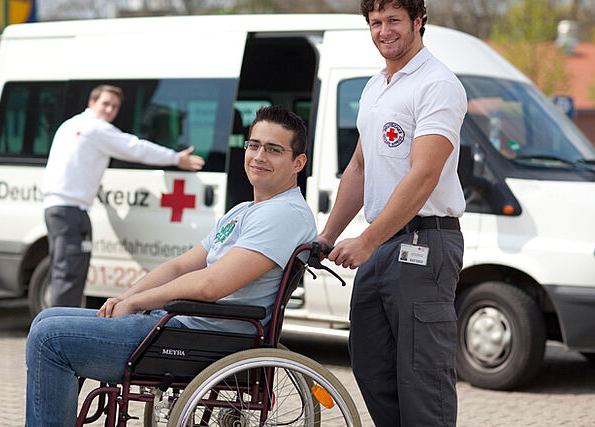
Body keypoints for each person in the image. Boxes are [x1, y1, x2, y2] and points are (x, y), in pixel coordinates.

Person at [26, 106, 316, 426]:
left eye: (274, 149)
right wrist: (125, 299)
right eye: (254, 145)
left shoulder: (283, 214)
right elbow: (180, 267)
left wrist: (137, 302)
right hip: (181, 326)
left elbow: (211, 285)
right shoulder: (245, 210)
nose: (259, 155)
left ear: (297, 163)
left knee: (50, 339)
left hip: (202, 340)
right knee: (47, 317)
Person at [317, 1, 467, 426]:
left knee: (423, 380)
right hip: (382, 242)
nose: (384, 31)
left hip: (425, 241)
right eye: (376, 22)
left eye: (394, 20)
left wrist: (366, 240)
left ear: (419, 21)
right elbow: (360, 167)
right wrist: (328, 235)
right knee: (370, 365)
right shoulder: (375, 87)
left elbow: (424, 175)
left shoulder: (437, 83)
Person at [41, 84, 205, 308]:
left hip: (59, 209)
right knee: (69, 275)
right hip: (70, 211)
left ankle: (56, 323)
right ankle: (56, 329)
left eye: (115, 107)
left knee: (63, 272)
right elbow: (135, 148)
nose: (110, 110)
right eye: (105, 104)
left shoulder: (70, 125)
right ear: (92, 103)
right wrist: (176, 158)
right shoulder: (96, 129)